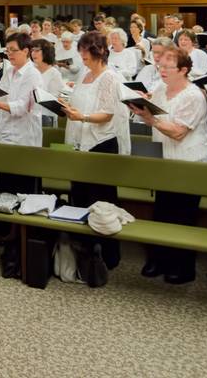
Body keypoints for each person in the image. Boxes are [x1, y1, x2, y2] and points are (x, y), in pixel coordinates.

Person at [130, 48, 207, 284]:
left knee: (183, 216)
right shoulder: (161, 88)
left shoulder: (193, 96)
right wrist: (139, 104)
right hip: (165, 161)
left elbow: (178, 132)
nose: (161, 70)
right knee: (162, 212)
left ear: (183, 70)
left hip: (189, 163)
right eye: (160, 66)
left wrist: (151, 119)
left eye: (167, 67)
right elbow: (151, 107)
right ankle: (159, 260)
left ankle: (183, 268)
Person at [62, 31, 125, 269]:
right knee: (79, 195)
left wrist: (83, 116)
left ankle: (108, 255)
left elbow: (108, 113)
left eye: (85, 54)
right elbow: (77, 102)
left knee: (101, 200)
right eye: (81, 54)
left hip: (101, 143)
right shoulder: (85, 76)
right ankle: (83, 251)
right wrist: (66, 106)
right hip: (81, 141)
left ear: (98, 52)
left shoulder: (109, 77)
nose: (82, 58)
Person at [0, 33, 43, 194]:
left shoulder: (32, 74)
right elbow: (0, 94)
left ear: (26, 51)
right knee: (3, 187)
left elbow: (22, 107)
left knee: (22, 190)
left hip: (24, 139)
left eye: (13, 50)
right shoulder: (9, 72)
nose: (9, 54)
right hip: (5, 135)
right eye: (7, 51)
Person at [31, 39, 64, 127]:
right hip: (29, 115)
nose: (33, 53)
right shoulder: (30, 70)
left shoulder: (54, 73)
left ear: (46, 52)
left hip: (46, 116)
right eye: (32, 50)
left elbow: (54, 99)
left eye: (37, 50)